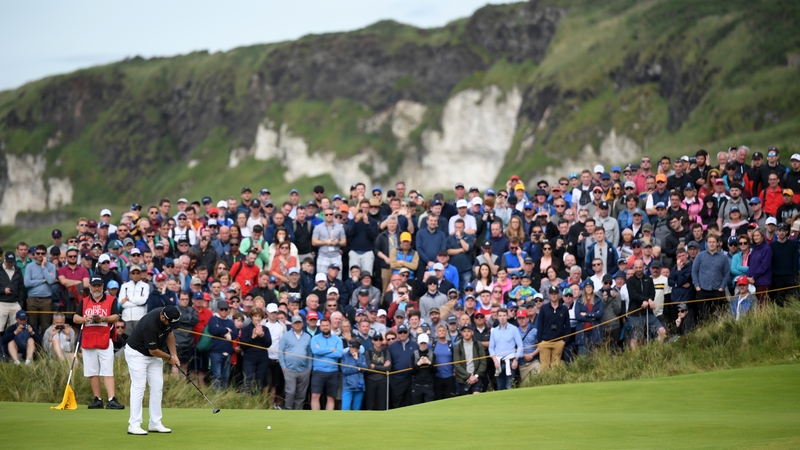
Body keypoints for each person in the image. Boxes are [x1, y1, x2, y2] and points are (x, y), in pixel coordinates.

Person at [123, 305, 181, 435]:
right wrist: (169, 358)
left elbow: (170, 334)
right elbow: (153, 350)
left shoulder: (167, 317)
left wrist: (174, 355)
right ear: (162, 317)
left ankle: (155, 423)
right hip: (137, 353)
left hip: (153, 355)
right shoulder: (150, 324)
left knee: (157, 386)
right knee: (139, 386)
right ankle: (134, 425)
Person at [73, 276, 124, 409]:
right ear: (89, 287)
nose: (96, 288)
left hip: (105, 338)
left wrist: (103, 318)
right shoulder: (84, 301)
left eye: (99, 286)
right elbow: (75, 318)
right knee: (92, 371)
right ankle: (98, 399)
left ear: (103, 287)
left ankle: (111, 399)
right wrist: (85, 319)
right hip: (88, 339)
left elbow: (115, 317)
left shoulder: (111, 300)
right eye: (94, 286)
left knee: (107, 371)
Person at [626, 260, 666, 349]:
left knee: (662, 331)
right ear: (633, 268)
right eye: (636, 268)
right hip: (635, 313)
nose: (638, 269)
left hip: (648, 312)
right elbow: (634, 295)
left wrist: (648, 300)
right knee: (636, 338)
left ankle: (656, 351)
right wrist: (647, 300)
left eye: (640, 267)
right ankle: (635, 358)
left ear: (644, 267)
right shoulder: (630, 281)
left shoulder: (649, 279)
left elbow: (652, 293)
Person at [278, 315, 313, 411]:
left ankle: (298, 412)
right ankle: (288, 409)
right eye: (295, 323)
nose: (297, 325)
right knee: (291, 391)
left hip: (304, 370)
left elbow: (310, 354)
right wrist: (284, 367)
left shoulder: (307, 337)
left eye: (299, 323)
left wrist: (309, 368)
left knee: (301, 394)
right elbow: (281, 352)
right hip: (289, 369)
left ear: (302, 324)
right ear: (292, 324)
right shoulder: (286, 336)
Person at [310, 317, 343, 410]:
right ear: (320, 327)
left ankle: (328, 420)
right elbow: (315, 351)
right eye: (323, 325)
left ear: (330, 326)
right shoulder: (315, 338)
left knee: (331, 397)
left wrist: (322, 351)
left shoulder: (337, 340)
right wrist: (330, 350)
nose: (325, 327)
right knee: (315, 396)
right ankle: (315, 419)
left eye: (327, 325)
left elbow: (338, 353)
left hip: (333, 371)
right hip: (318, 371)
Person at [240, 308, 272, 394]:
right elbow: (242, 345)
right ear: (251, 317)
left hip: (262, 359)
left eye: (259, 316)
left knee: (259, 382)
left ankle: (256, 402)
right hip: (249, 359)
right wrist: (252, 337)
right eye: (255, 316)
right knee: (248, 381)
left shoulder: (265, 329)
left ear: (262, 318)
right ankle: (245, 402)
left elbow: (268, 344)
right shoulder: (246, 329)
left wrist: (262, 336)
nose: (257, 318)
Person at [489, 308, 523, 390]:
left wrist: (516, 359)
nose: (502, 318)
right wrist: (495, 360)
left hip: (510, 361)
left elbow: (520, 345)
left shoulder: (514, 329)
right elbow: (491, 347)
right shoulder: (494, 331)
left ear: (507, 316)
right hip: (498, 362)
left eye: (504, 315)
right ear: (497, 317)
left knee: (509, 387)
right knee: (500, 387)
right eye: (500, 316)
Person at [208, 300, 239, 389]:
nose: (224, 311)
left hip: (228, 352)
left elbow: (235, 334)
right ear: (218, 309)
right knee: (217, 375)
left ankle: (224, 394)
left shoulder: (230, 322)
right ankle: (216, 394)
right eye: (222, 309)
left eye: (226, 309)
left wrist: (222, 331)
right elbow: (214, 330)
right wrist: (226, 330)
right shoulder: (213, 319)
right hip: (216, 352)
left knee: (226, 376)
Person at [387, 323, 418, 408]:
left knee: (409, 402)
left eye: (404, 332)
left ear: (408, 332)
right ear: (397, 334)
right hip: (397, 379)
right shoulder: (392, 347)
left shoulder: (414, 345)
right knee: (397, 402)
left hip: (411, 378)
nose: (403, 334)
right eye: (400, 332)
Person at [364, 333, 392, 410]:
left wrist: (375, 367)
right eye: (376, 339)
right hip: (370, 381)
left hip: (383, 381)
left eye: (380, 339)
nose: (378, 341)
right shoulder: (368, 352)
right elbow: (369, 368)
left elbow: (388, 367)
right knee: (370, 404)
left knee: (382, 404)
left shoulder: (386, 352)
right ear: (373, 341)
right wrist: (382, 366)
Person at [341, 340, 369, 410]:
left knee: (356, 410)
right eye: (353, 347)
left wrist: (357, 359)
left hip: (359, 386)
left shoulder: (361, 357)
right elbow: (344, 370)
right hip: (347, 386)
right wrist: (357, 369)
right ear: (349, 347)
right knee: (345, 409)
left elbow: (365, 369)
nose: (354, 349)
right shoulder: (344, 356)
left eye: (356, 348)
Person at [0, 251, 24, 331]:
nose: (10, 264)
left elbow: (21, 287)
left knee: (15, 328)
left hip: (15, 303)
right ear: (4, 259)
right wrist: (3, 290)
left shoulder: (18, 270)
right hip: (2, 302)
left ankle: (12, 343)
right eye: (8, 262)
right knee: (0, 327)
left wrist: (20, 303)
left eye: (12, 262)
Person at [411, 333, 436, 405]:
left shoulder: (432, 354)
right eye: (421, 343)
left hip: (428, 385)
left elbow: (434, 371)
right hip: (417, 385)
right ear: (418, 343)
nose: (423, 345)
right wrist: (418, 364)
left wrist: (429, 363)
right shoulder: (414, 354)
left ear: (428, 342)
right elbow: (412, 371)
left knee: (429, 406)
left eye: (424, 343)